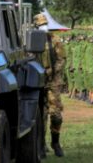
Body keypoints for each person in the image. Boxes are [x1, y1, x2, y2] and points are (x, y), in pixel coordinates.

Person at [34, 13, 66, 158]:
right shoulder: (31, 40)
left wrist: (52, 71)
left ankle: (55, 142)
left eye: (45, 24)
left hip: (53, 82)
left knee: (56, 114)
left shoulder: (55, 40)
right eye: (41, 25)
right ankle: (40, 145)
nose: (44, 27)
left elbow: (61, 59)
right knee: (40, 115)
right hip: (37, 82)